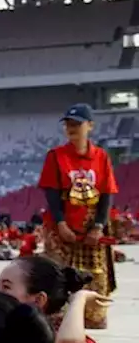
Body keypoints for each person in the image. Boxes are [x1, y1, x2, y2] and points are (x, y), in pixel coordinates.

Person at [38, 103, 118, 329]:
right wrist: (61, 224)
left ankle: (92, 316)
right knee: (58, 272)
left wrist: (99, 226)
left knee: (94, 273)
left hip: (92, 222)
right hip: (62, 223)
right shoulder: (56, 156)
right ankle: (58, 316)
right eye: (69, 124)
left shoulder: (101, 157)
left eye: (77, 124)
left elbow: (106, 194)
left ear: (90, 126)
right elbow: (52, 194)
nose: (72, 128)